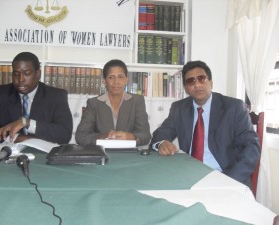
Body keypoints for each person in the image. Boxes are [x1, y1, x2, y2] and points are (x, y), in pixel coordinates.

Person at [149, 60, 260, 188]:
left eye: (201, 79)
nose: (197, 85)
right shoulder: (179, 108)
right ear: (186, 88)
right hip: (188, 174)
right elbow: (162, 132)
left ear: (211, 82)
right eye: (191, 81)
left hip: (224, 175)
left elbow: (251, 148)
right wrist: (162, 142)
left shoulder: (233, 107)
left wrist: (229, 181)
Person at [0, 52, 73, 144]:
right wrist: (18, 138)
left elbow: (64, 134)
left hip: (43, 156)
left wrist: (27, 123)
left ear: (38, 74)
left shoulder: (55, 96)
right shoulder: (1, 94)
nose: (21, 79)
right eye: (16, 74)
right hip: (7, 155)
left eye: (26, 73)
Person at [75, 59, 151, 146]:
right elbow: (81, 136)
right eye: (111, 77)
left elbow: (145, 135)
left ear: (126, 79)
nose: (116, 82)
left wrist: (131, 137)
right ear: (104, 81)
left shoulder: (137, 101)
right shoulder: (94, 103)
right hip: (102, 153)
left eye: (120, 77)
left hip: (129, 154)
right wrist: (104, 136)